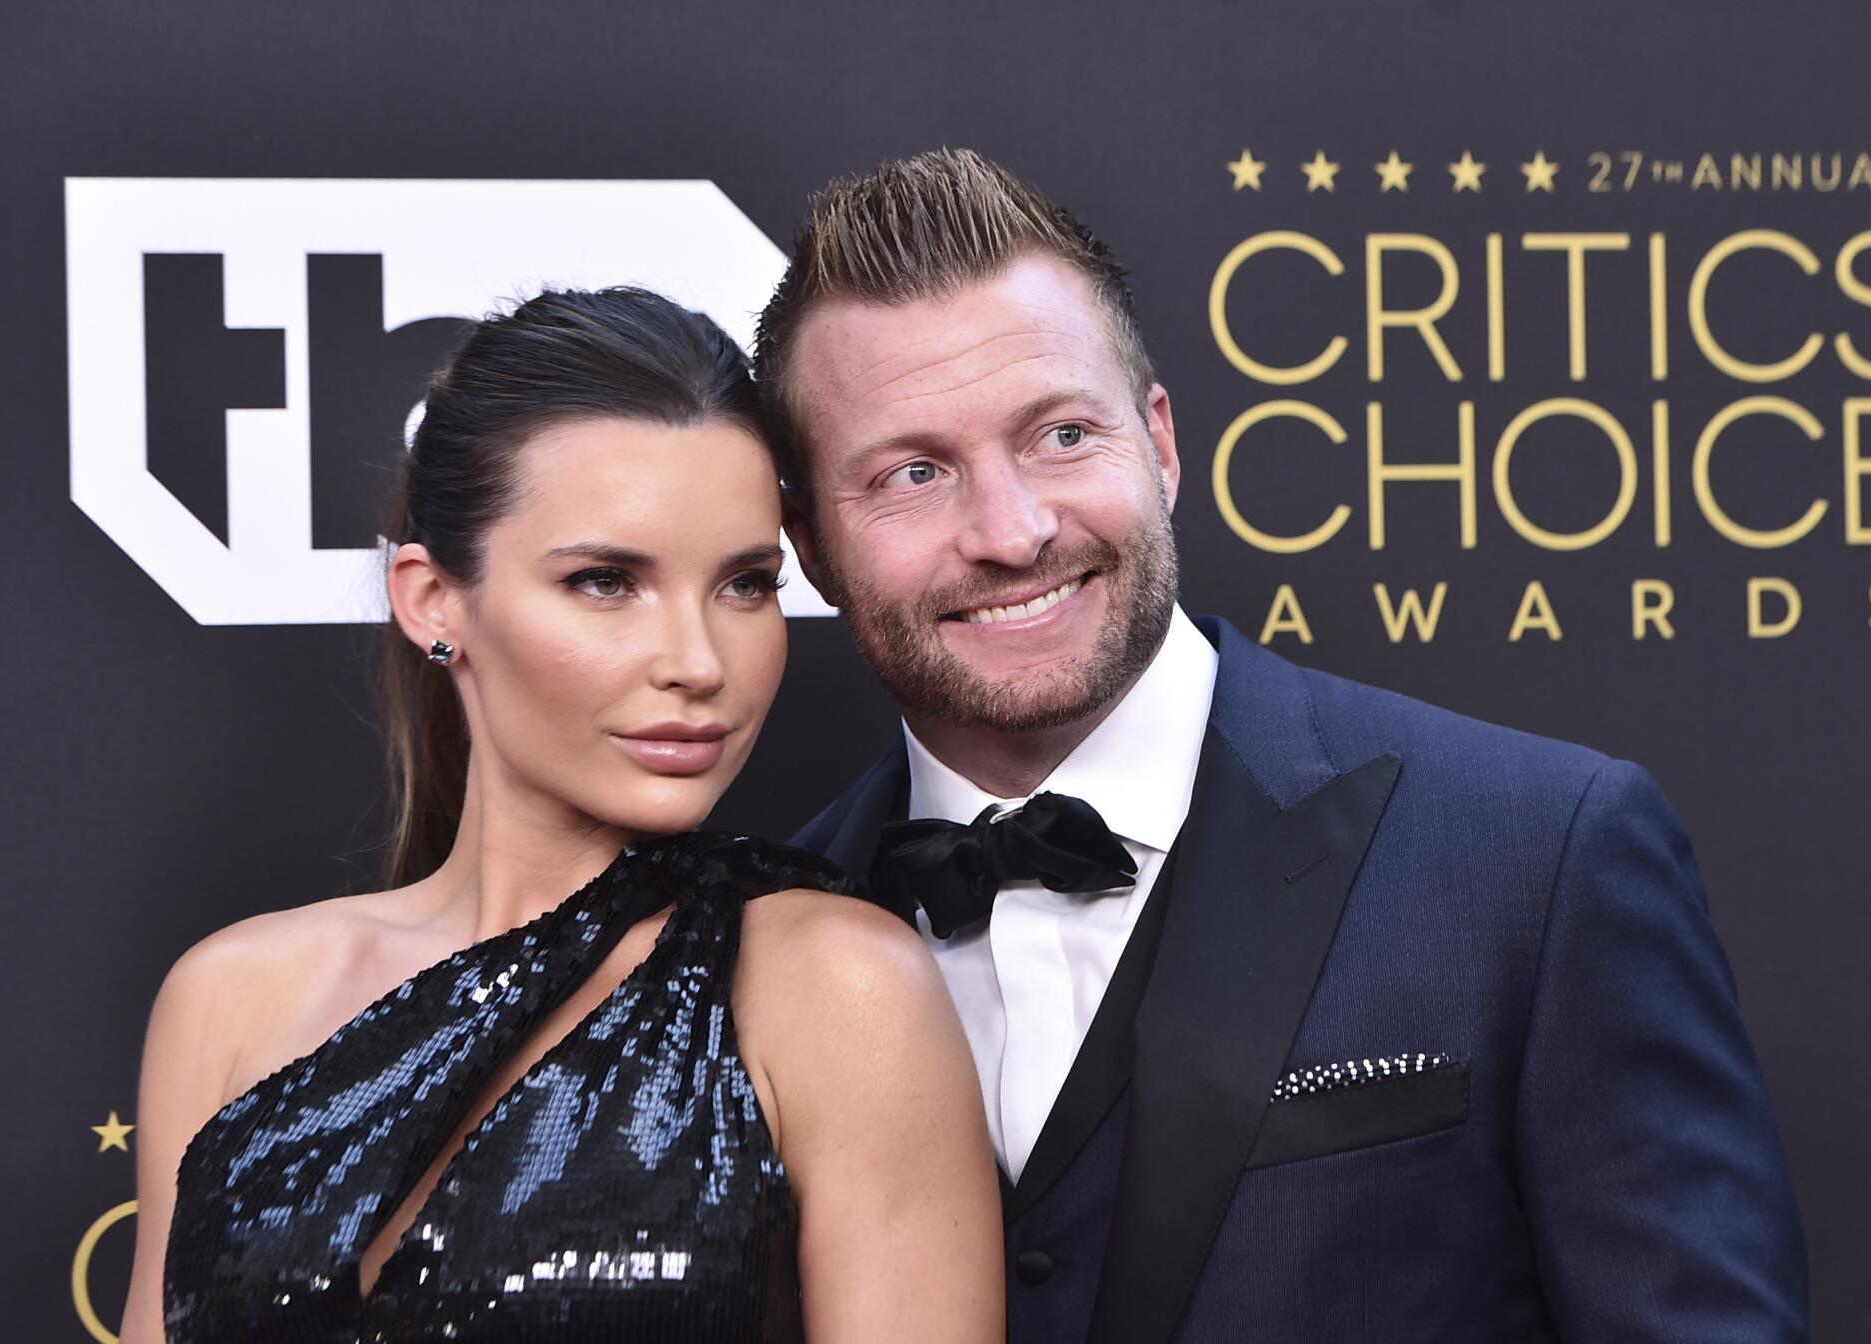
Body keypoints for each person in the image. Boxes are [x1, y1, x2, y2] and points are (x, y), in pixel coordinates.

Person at [760, 149, 1810, 1342]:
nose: (1010, 532)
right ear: (807, 542)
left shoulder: (1539, 857)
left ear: (1156, 442)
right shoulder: (758, 940)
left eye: (1058, 436)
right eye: (911, 472)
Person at [121, 288, 1004, 1343]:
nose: (696, 664)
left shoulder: (834, 988)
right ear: (432, 600)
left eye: (744, 585)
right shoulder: (227, 1001)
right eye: (603, 582)